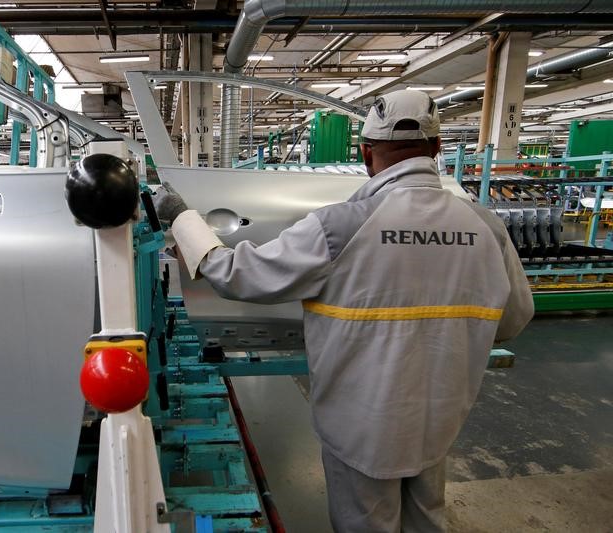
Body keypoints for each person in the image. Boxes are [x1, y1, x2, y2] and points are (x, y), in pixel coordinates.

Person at [154, 89, 534, 533]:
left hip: (360, 429)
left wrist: (181, 217)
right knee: (426, 518)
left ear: (366, 151)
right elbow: (513, 319)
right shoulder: (486, 225)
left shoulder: (339, 226)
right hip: (438, 421)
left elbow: (236, 274)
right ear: (436, 149)